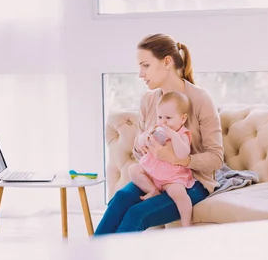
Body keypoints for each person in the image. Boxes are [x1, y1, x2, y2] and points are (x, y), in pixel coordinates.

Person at [94, 33, 223, 235]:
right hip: (155, 176)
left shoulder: (200, 99)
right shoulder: (149, 100)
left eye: (145, 65)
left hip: (191, 183)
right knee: (120, 199)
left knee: (136, 214)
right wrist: (141, 143)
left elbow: (216, 158)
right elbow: (139, 154)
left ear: (167, 62)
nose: (140, 73)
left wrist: (178, 159)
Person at [128, 91, 195, 227]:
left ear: (182, 119)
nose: (163, 122)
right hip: (151, 172)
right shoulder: (156, 129)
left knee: (179, 194)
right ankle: (152, 190)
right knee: (133, 170)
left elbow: (183, 154)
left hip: (171, 177)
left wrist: (174, 136)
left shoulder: (182, 134)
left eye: (168, 118)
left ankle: (187, 224)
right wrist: (145, 138)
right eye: (160, 117)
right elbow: (141, 143)